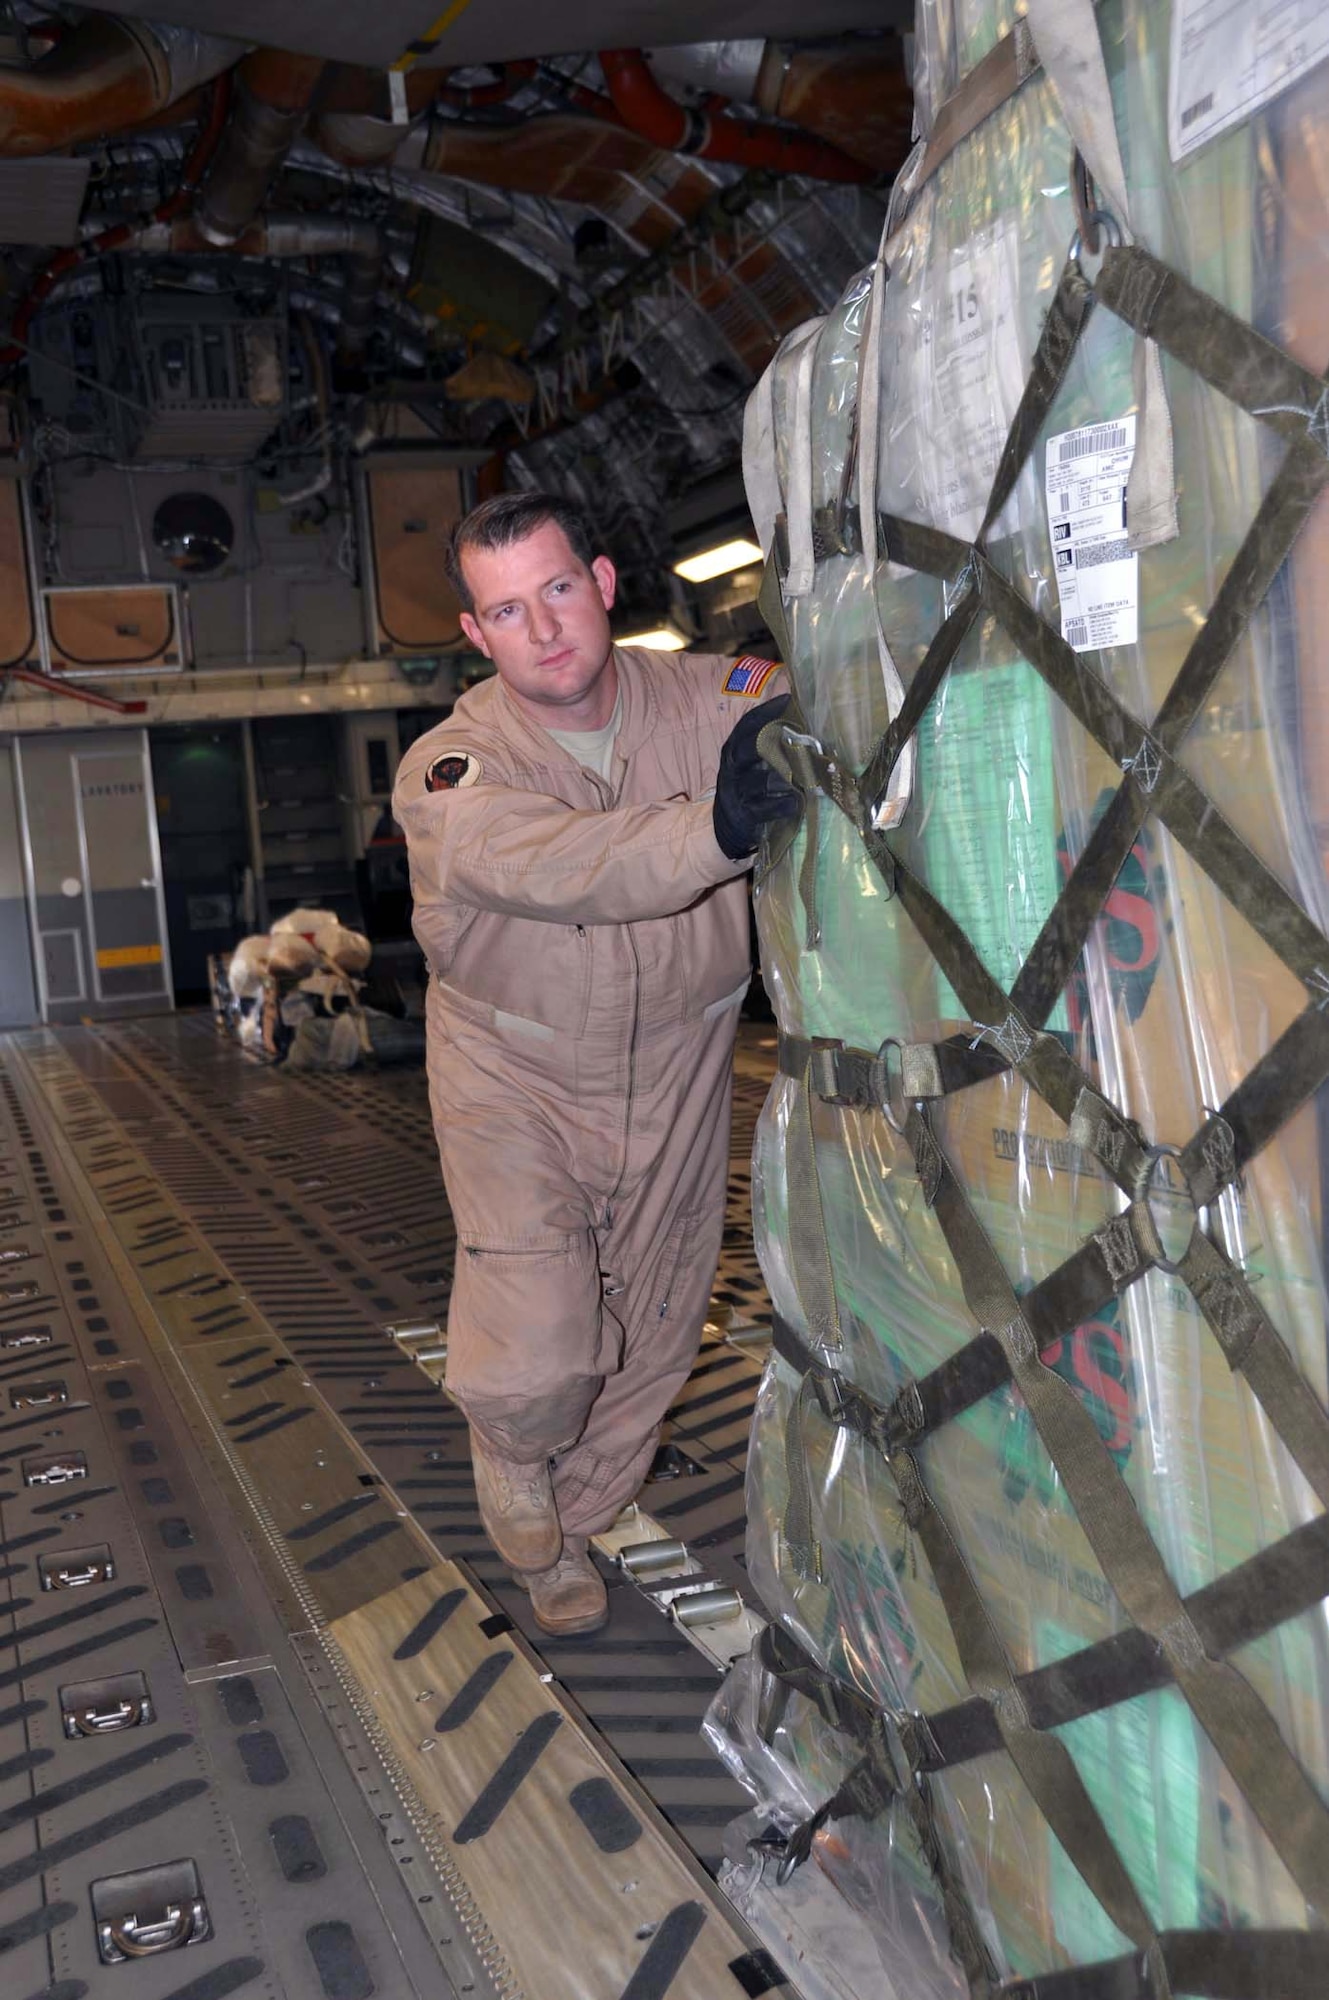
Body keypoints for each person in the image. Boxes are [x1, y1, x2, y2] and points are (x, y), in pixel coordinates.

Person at [393, 491, 797, 1636]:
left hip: (680, 1060)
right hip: (516, 1073)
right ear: (478, 635)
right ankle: (514, 1453)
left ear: (606, 582)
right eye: (508, 610)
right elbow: (558, 864)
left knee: (656, 1333)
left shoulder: (710, 699)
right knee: (541, 1322)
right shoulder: (453, 770)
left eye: (559, 589)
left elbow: (818, 716)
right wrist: (714, 828)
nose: (546, 628)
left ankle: (566, 1530)